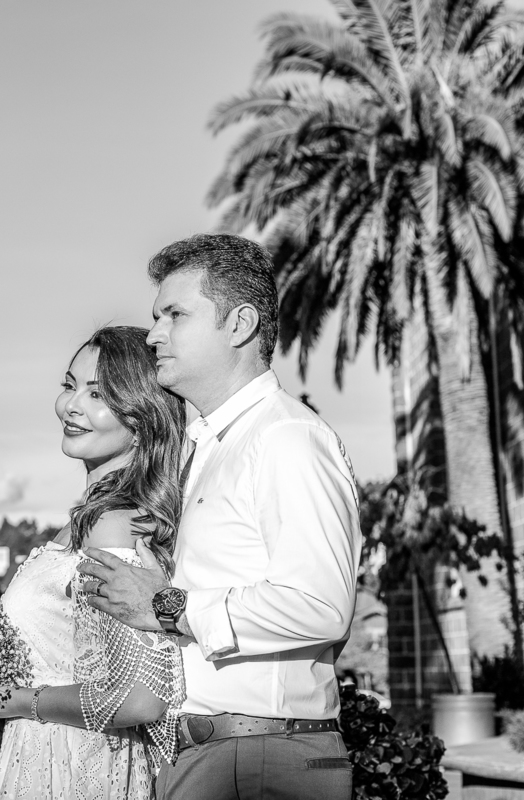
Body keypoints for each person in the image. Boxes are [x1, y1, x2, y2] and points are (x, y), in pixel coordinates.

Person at [79, 234, 362, 800]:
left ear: (240, 325)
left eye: (175, 315)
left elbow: (322, 605)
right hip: (210, 753)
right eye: (157, 317)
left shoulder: (285, 437)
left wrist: (167, 606)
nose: (155, 334)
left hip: (264, 758)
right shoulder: (207, 447)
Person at [0, 325, 188, 799]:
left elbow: (140, 700)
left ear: (141, 419)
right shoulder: (89, 520)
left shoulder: (112, 526)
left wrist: (17, 704)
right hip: (43, 751)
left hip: (76, 766)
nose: (71, 405)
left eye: (98, 394)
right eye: (70, 385)